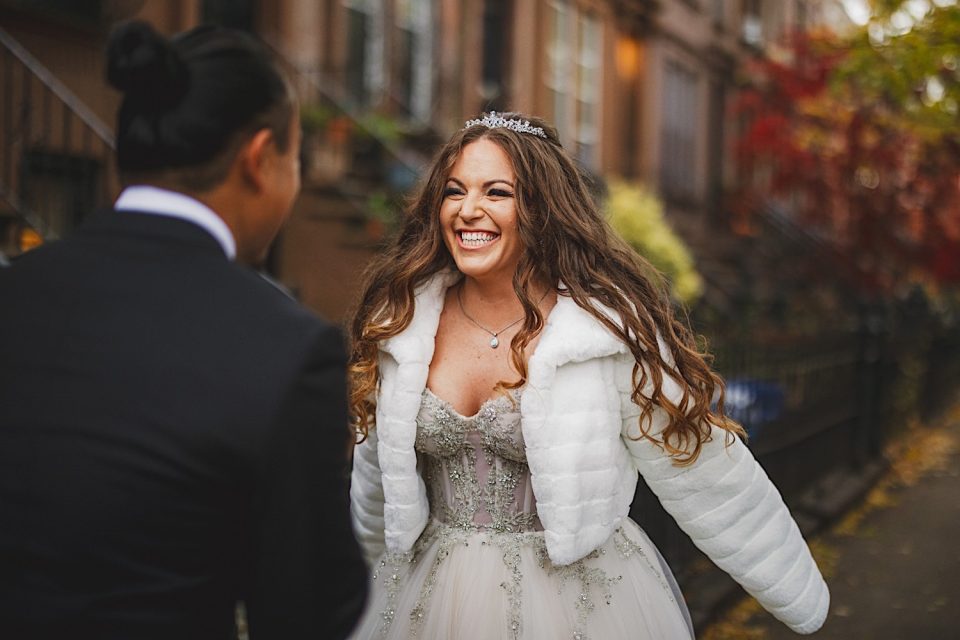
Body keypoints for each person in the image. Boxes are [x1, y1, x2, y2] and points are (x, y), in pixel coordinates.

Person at [346, 112, 829, 639]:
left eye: (497, 192)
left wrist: (798, 594)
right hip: (427, 599)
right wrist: (357, 580)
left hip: (577, 603)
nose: (468, 210)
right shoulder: (403, 327)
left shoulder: (603, 334)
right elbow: (377, 483)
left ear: (542, 208)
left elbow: (703, 469)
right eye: (454, 191)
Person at [0, 21, 367, 639]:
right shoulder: (287, 350)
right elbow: (308, 613)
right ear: (259, 159)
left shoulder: (14, 291)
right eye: (295, 158)